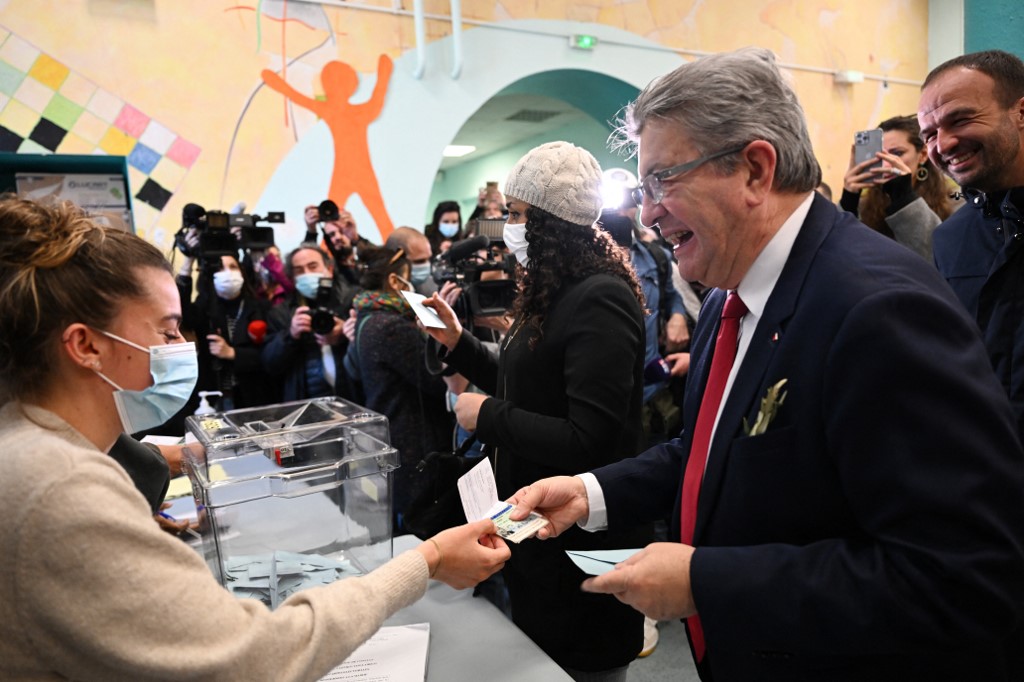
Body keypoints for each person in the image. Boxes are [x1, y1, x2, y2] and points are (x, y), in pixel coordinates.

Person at [506, 48, 1024, 681]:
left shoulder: (878, 310)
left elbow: (958, 578)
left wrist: (708, 581)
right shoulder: (732, 294)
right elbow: (712, 450)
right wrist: (591, 493)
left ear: (755, 169)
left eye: (663, 181)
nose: (646, 213)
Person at [0, 195, 509, 680]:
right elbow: (256, 659)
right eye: (168, 331)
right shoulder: (60, 487)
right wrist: (429, 560)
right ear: (85, 345)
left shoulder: (32, 442)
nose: (183, 347)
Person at [422, 141, 651, 682]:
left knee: (578, 664)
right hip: (533, 525)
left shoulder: (599, 296)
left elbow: (589, 437)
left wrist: (488, 416)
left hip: (576, 538)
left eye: (521, 215)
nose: (509, 225)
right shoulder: (554, 288)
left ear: (553, 223)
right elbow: (524, 380)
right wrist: (458, 342)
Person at [919, 50, 1024, 435]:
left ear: (1021, 114)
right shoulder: (951, 239)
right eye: (929, 134)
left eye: (960, 119)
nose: (942, 145)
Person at [345, 246, 454, 531]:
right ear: (395, 281)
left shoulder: (368, 318)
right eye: (411, 273)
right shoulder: (390, 326)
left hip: (400, 439)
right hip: (415, 445)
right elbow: (436, 380)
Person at [176, 245, 280, 411]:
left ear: (242, 272)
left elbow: (272, 354)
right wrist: (188, 260)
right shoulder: (204, 308)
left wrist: (233, 353)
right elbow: (180, 309)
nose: (228, 273)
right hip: (213, 395)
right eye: (220, 268)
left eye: (233, 267)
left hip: (254, 395)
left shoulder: (261, 307)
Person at [840, 114, 958, 259]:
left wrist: (904, 198)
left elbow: (938, 258)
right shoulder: (864, 206)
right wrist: (848, 202)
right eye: (880, 156)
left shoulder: (955, 202)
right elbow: (842, 256)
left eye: (897, 154)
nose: (887, 163)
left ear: (922, 155)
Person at [262, 244, 355, 402]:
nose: (307, 274)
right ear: (292, 277)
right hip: (306, 404)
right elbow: (270, 365)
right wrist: (290, 335)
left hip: (353, 398)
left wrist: (346, 333)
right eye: (299, 270)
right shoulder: (281, 313)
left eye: (313, 266)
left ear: (329, 269)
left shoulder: (352, 301)